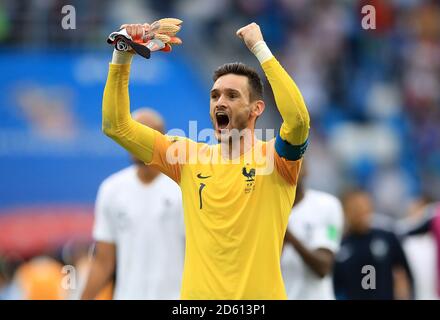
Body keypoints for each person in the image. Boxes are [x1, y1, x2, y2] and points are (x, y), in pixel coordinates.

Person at [102, 22, 310, 299]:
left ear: (256, 108)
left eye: (232, 95)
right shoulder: (187, 157)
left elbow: (298, 120)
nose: (219, 102)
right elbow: (116, 126)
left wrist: (260, 49)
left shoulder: (275, 158)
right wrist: (122, 53)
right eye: (215, 96)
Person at [81, 109, 184, 300]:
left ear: (162, 139)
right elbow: (103, 261)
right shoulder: (111, 189)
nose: (136, 141)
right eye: (131, 134)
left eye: (144, 134)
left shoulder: (183, 188)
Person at [333, 189, 414, 300]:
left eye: (364, 206)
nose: (360, 212)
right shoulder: (339, 247)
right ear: (345, 211)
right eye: (355, 208)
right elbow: (335, 286)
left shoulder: (387, 237)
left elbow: (402, 273)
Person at [281, 162, 344, 299]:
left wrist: (287, 234)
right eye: (282, 164)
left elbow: (323, 267)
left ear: (306, 170)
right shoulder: (265, 210)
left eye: (295, 163)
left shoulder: (328, 205)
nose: (290, 169)